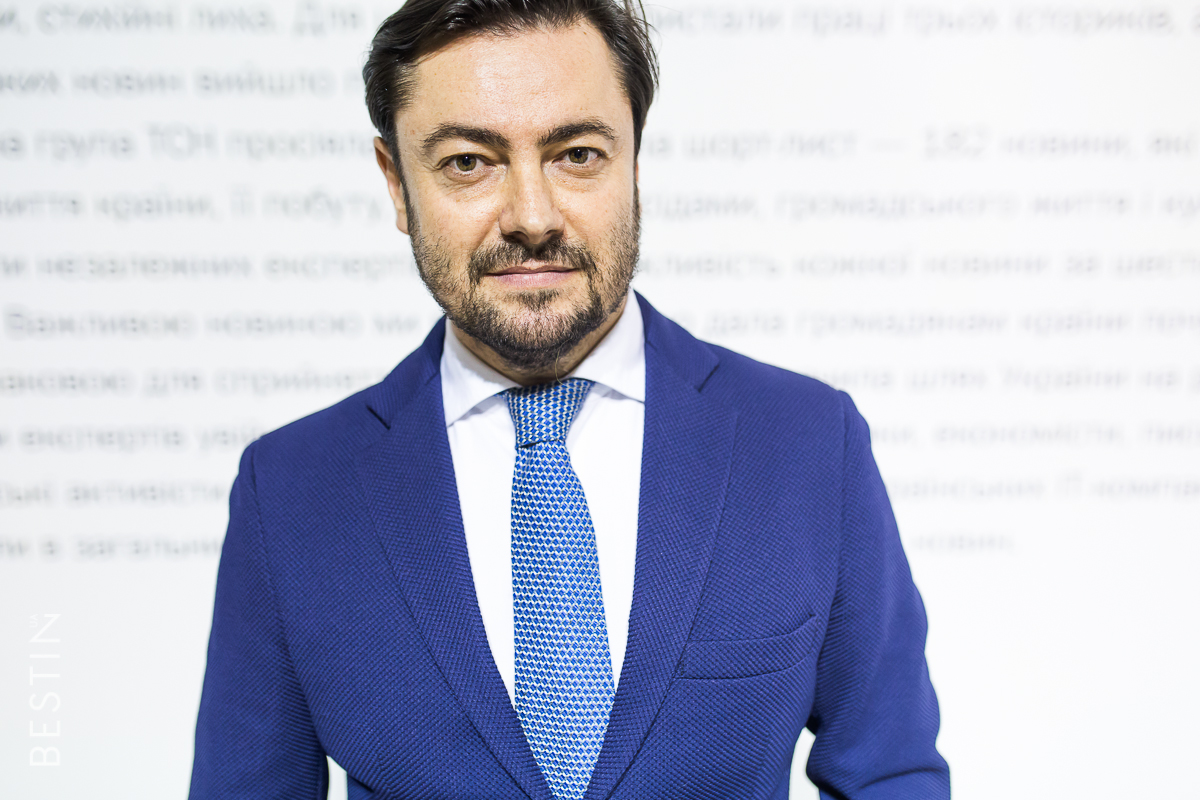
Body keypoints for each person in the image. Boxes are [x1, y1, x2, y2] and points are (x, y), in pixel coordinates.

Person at [188, 1, 950, 798]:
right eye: (468, 162)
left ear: (634, 163)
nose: (532, 217)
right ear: (397, 183)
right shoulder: (290, 491)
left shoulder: (806, 444)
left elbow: (890, 777)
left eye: (576, 154)